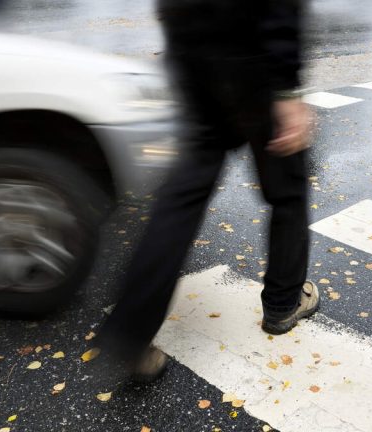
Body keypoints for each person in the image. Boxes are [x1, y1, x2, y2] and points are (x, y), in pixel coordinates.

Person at [97, 0, 318, 382]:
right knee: (288, 189)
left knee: (182, 198)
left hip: (192, 52)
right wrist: (286, 89)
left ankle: (130, 332)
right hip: (253, 54)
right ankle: (283, 304)